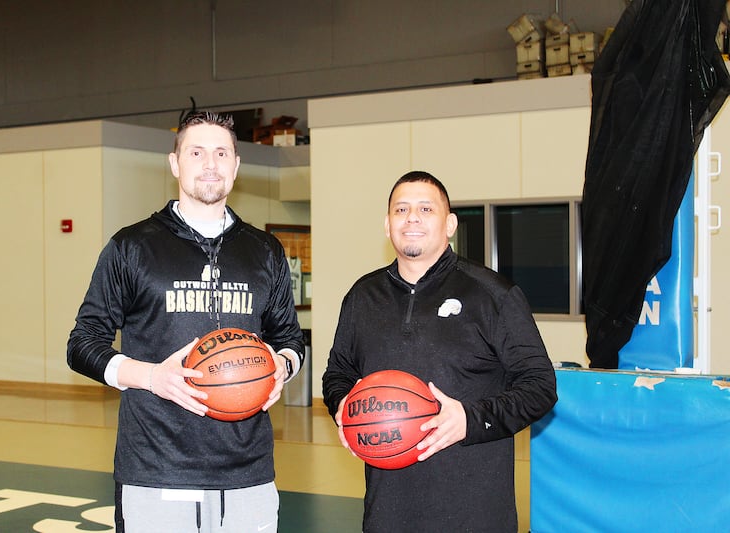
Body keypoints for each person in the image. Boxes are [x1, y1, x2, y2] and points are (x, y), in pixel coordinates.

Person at [67, 110, 305, 533]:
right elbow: (83, 343)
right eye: (196, 152)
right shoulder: (132, 247)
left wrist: (280, 367)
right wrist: (152, 377)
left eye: (221, 153)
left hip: (248, 473)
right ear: (175, 163)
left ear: (235, 166)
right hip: (157, 468)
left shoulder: (265, 250)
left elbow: (290, 339)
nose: (210, 164)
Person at [322, 170, 557, 532]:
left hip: (474, 515)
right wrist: (345, 410)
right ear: (387, 225)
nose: (411, 218)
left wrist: (470, 419)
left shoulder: (493, 294)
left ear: (450, 225)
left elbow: (541, 387)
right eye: (401, 210)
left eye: (425, 209)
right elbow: (338, 373)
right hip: (387, 514)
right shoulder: (362, 297)